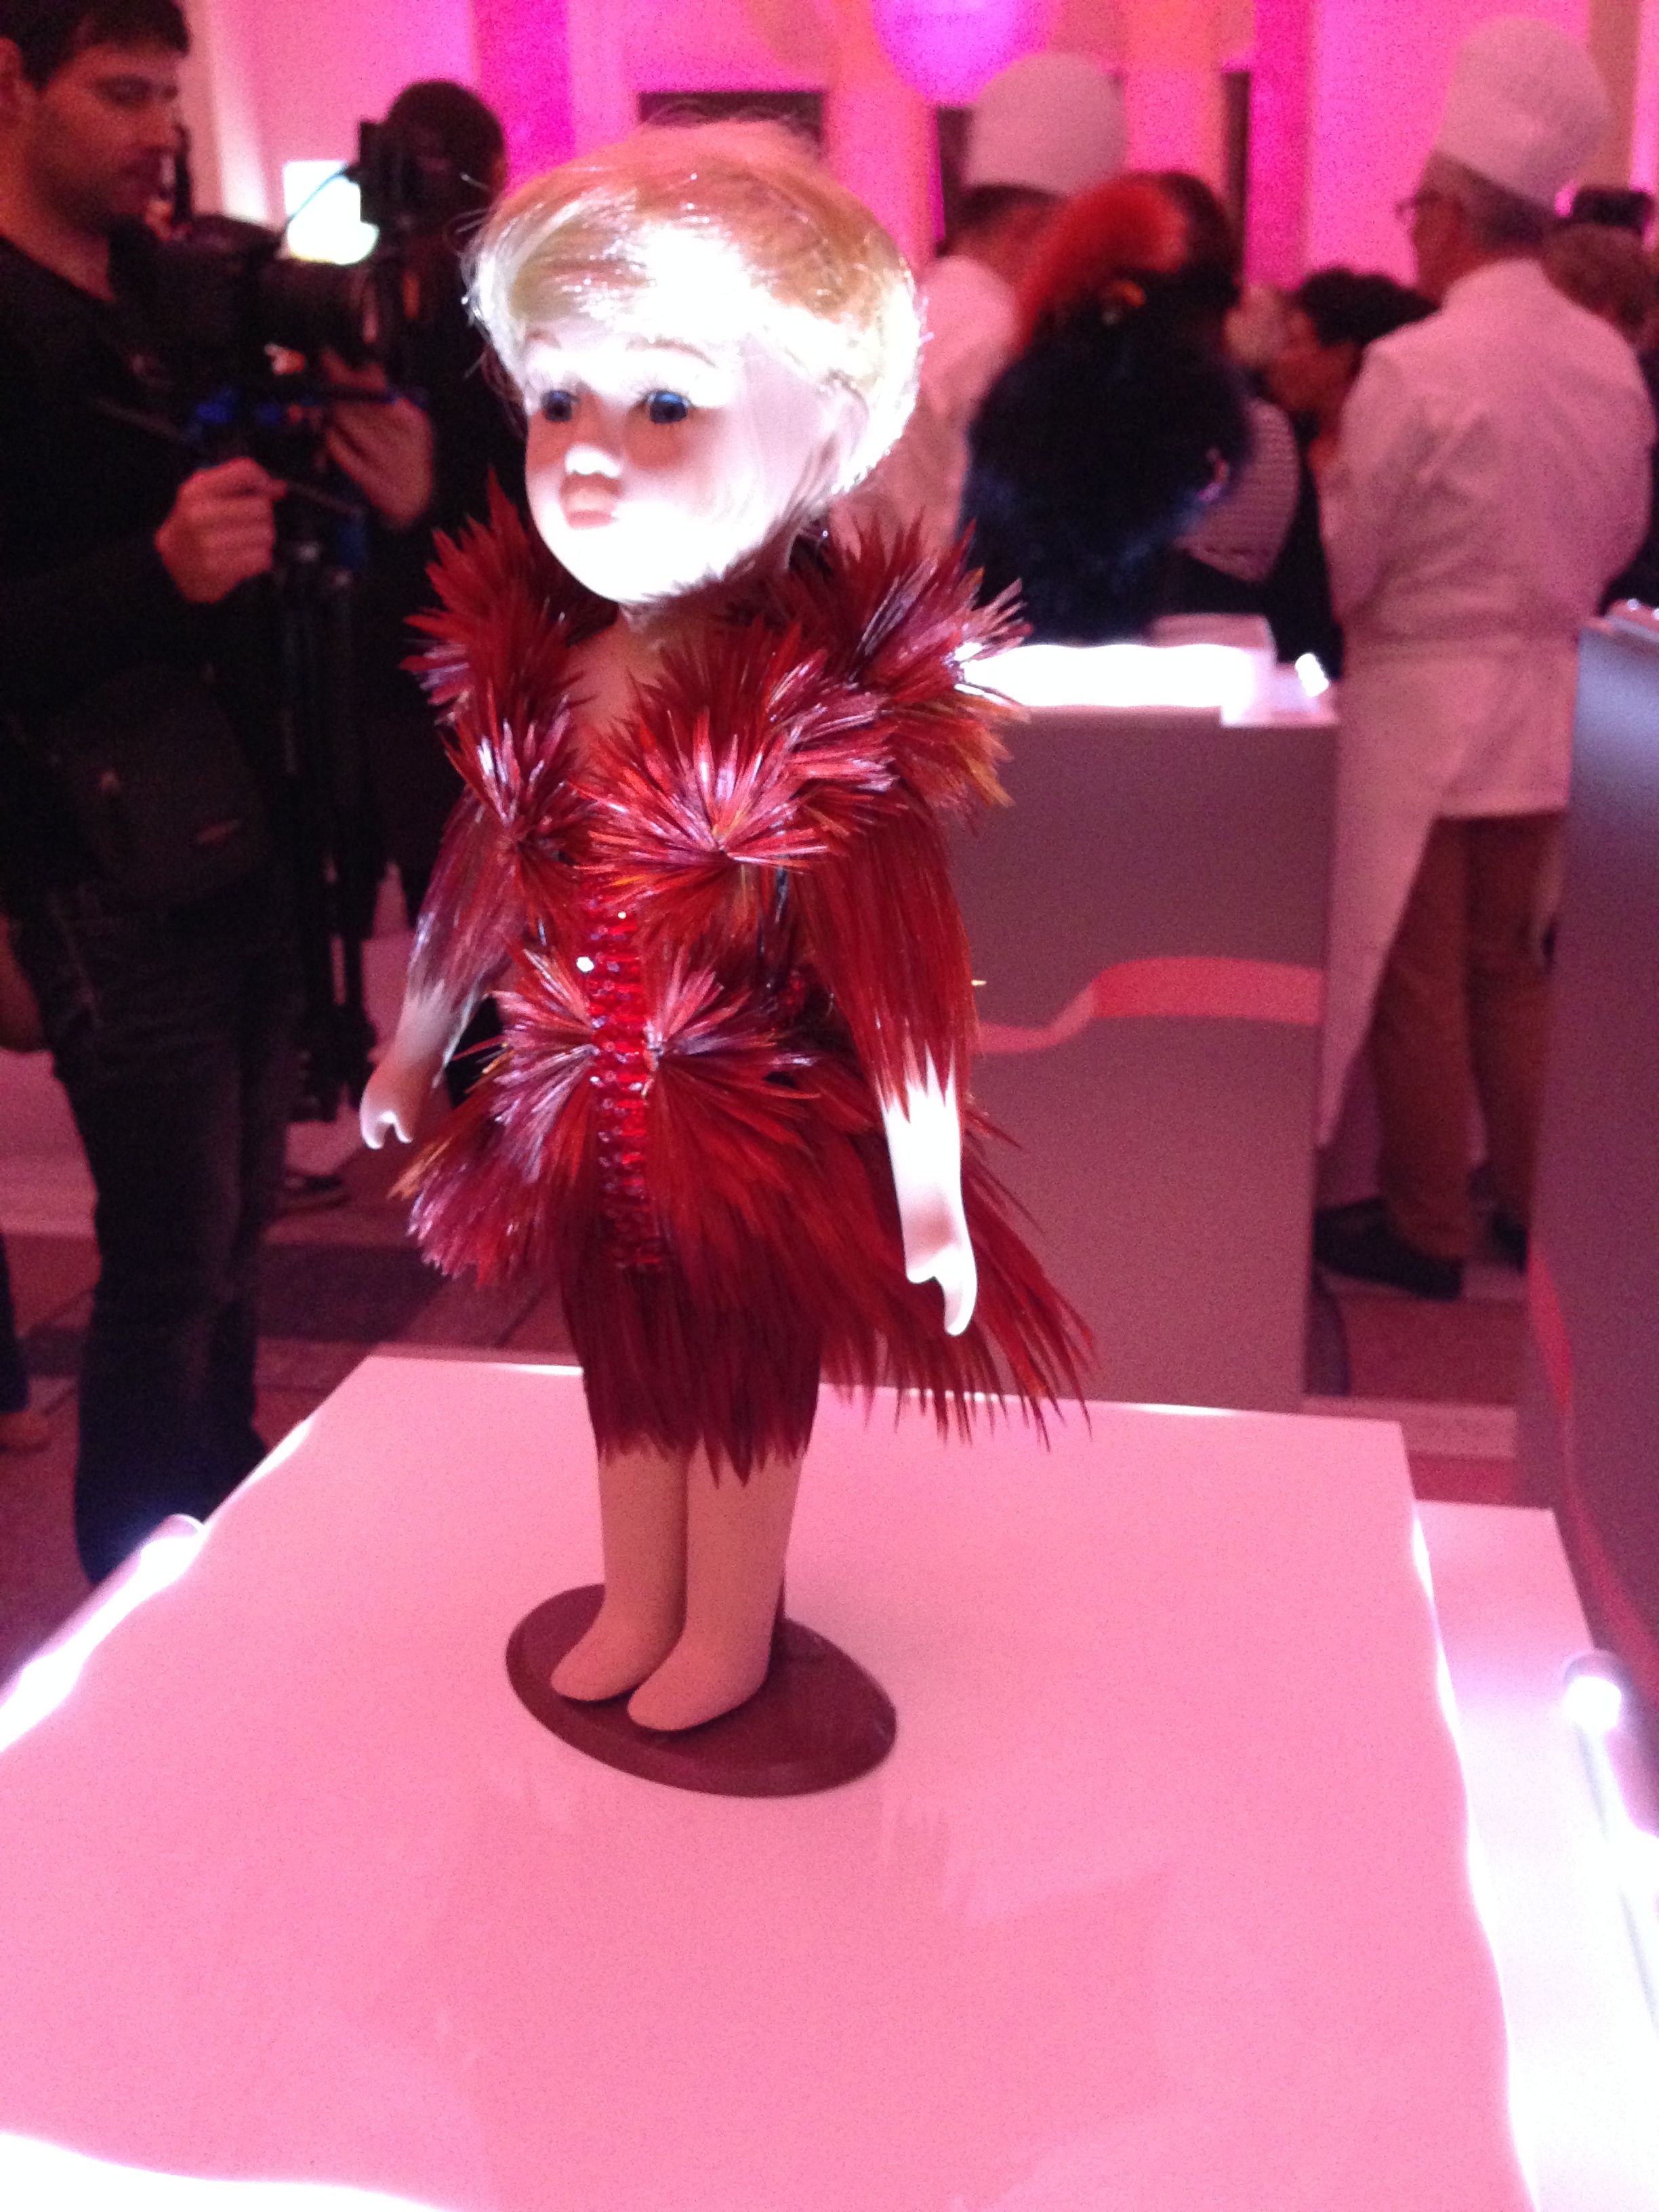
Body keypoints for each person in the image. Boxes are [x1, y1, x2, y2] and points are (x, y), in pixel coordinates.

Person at [362, 122, 1083, 1733]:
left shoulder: (813, 718)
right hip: (579, 1109)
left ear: (820, 434)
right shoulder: (549, 679)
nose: (589, 452)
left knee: (742, 1373)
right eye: (558, 399)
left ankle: (728, 1621)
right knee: (622, 1363)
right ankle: (641, 1595)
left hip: (746, 1124)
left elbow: (897, 970)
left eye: (665, 404)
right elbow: (486, 869)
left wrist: (926, 1188)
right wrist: (418, 1042)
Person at [0, 0, 426, 1578]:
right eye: (120, 94)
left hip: (245, 823)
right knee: (171, 1254)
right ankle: (132, 1581)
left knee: (240, 1236)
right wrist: (154, 574)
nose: (157, 134)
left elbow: (283, 508)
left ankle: (223, 1531)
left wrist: (382, 482)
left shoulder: (169, 292)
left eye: (169, 101)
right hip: (94, 856)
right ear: (10, 84)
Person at [1312, 16, 1654, 1300]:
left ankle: (1425, 1227)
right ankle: (1529, 1207)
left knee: (1419, 979)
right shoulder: (1606, 361)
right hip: (1553, 705)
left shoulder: (1416, 366)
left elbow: (1354, 564)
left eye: (1416, 211)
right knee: (1513, 974)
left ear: (1449, 215)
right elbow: (1618, 536)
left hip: (1423, 704)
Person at [839, 49, 1124, 552]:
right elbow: (993, 543)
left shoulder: (903, 314)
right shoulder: (998, 342)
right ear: (1028, 230)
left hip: (872, 594)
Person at [960, 176, 1250, 640]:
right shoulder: (1165, 364)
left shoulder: (1033, 370)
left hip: (1012, 619)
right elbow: (1215, 451)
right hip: (1119, 611)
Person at [1264, 268, 1436, 675]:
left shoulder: (1391, 458)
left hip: (1377, 664)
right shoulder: (1284, 444)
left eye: (1294, 343)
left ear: (1341, 357)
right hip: (1288, 668)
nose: (1278, 359)